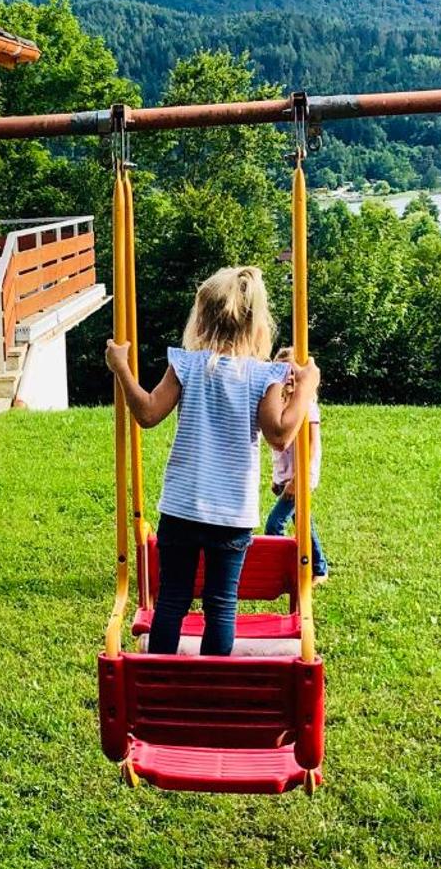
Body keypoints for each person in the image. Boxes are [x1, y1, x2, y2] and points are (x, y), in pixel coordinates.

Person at [106, 265, 318, 657]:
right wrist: (306, 388)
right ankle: (212, 679)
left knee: (172, 599)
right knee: (222, 603)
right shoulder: (262, 375)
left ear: (201, 318)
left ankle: (161, 679)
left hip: (182, 505)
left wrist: (121, 368)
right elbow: (280, 434)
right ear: (256, 324)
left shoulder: (186, 365)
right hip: (231, 512)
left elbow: (148, 413)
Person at [266, 348, 327, 581]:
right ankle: (319, 569)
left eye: (293, 372)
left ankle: (282, 570)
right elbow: (280, 450)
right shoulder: (281, 407)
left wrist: (296, 481)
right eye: (283, 372)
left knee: (274, 525)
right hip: (286, 479)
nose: (289, 377)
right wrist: (278, 478)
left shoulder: (307, 406)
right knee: (303, 522)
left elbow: (310, 446)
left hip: (300, 479)